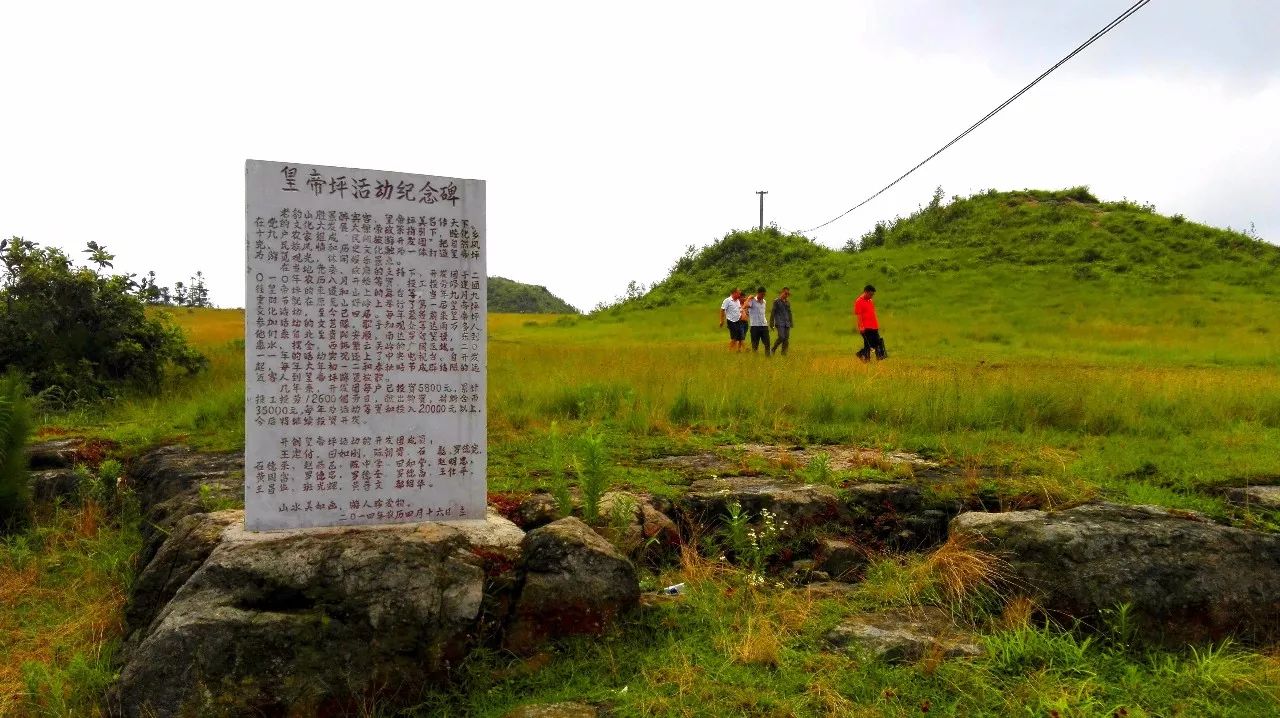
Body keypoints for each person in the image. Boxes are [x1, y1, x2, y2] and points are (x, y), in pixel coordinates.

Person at [854, 284, 886, 361]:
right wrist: (861, 326)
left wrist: (876, 324)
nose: (872, 296)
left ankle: (863, 355)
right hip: (866, 327)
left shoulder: (870, 301)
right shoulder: (859, 301)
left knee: (877, 342)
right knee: (868, 344)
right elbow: (859, 315)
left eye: (873, 294)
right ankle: (866, 358)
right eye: (871, 294)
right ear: (865, 292)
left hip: (874, 326)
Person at [746, 286, 771, 355]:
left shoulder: (764, 302)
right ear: (758, 293)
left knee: (767, 342)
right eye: (762, 294)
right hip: (755, 326)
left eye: (764, 294)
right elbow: (744, 306)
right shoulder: (752, 300)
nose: (763, 296)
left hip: (764, 325)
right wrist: (748, 298)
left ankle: (768, 357)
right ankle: (755, 357)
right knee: (755, 344)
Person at [770, 286, 793, 355]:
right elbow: (773, 312)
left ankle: (784, 353)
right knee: (781, 336)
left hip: (787, 322)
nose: (786, 295)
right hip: (779, 322)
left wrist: (791, 322)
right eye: (785, 293)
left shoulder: (788, 302)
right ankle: (773, 349)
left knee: (786, 339)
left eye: (788, 294)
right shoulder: (776, 301)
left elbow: (789, 313)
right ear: (782, 292)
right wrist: (771, 323)